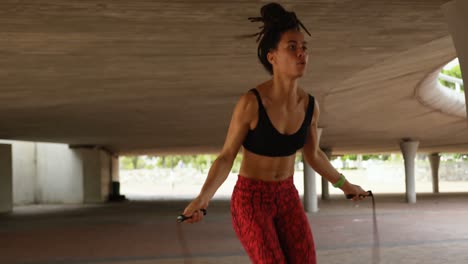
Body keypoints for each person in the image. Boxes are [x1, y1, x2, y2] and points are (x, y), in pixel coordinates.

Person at [181, 3, 368, 263]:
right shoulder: (251, 103)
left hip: (287, 196)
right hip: (251, 200)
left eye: (304, 48)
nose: (301, 54)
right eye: (292, 47)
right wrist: (203, 198)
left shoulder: (310, 106)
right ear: (272, 57)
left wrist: (346, 186)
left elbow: (313, 155)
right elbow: (226, 157)